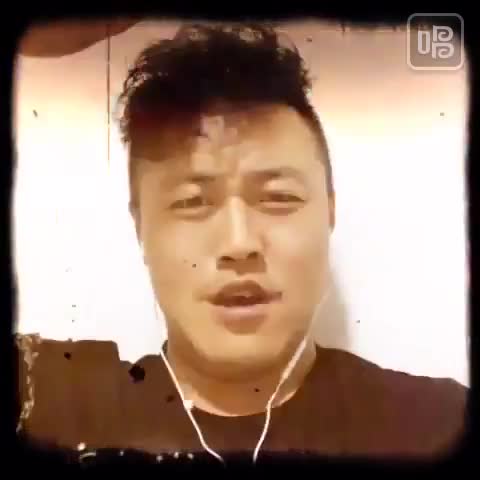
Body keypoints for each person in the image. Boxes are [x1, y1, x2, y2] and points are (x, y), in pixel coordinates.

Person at [15, 22, 467, 466]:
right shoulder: (50, 407)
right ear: (141, 228)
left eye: (279, 198)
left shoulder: (435, 425)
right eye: (192, 202)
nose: (239, 243)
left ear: (329, 214)